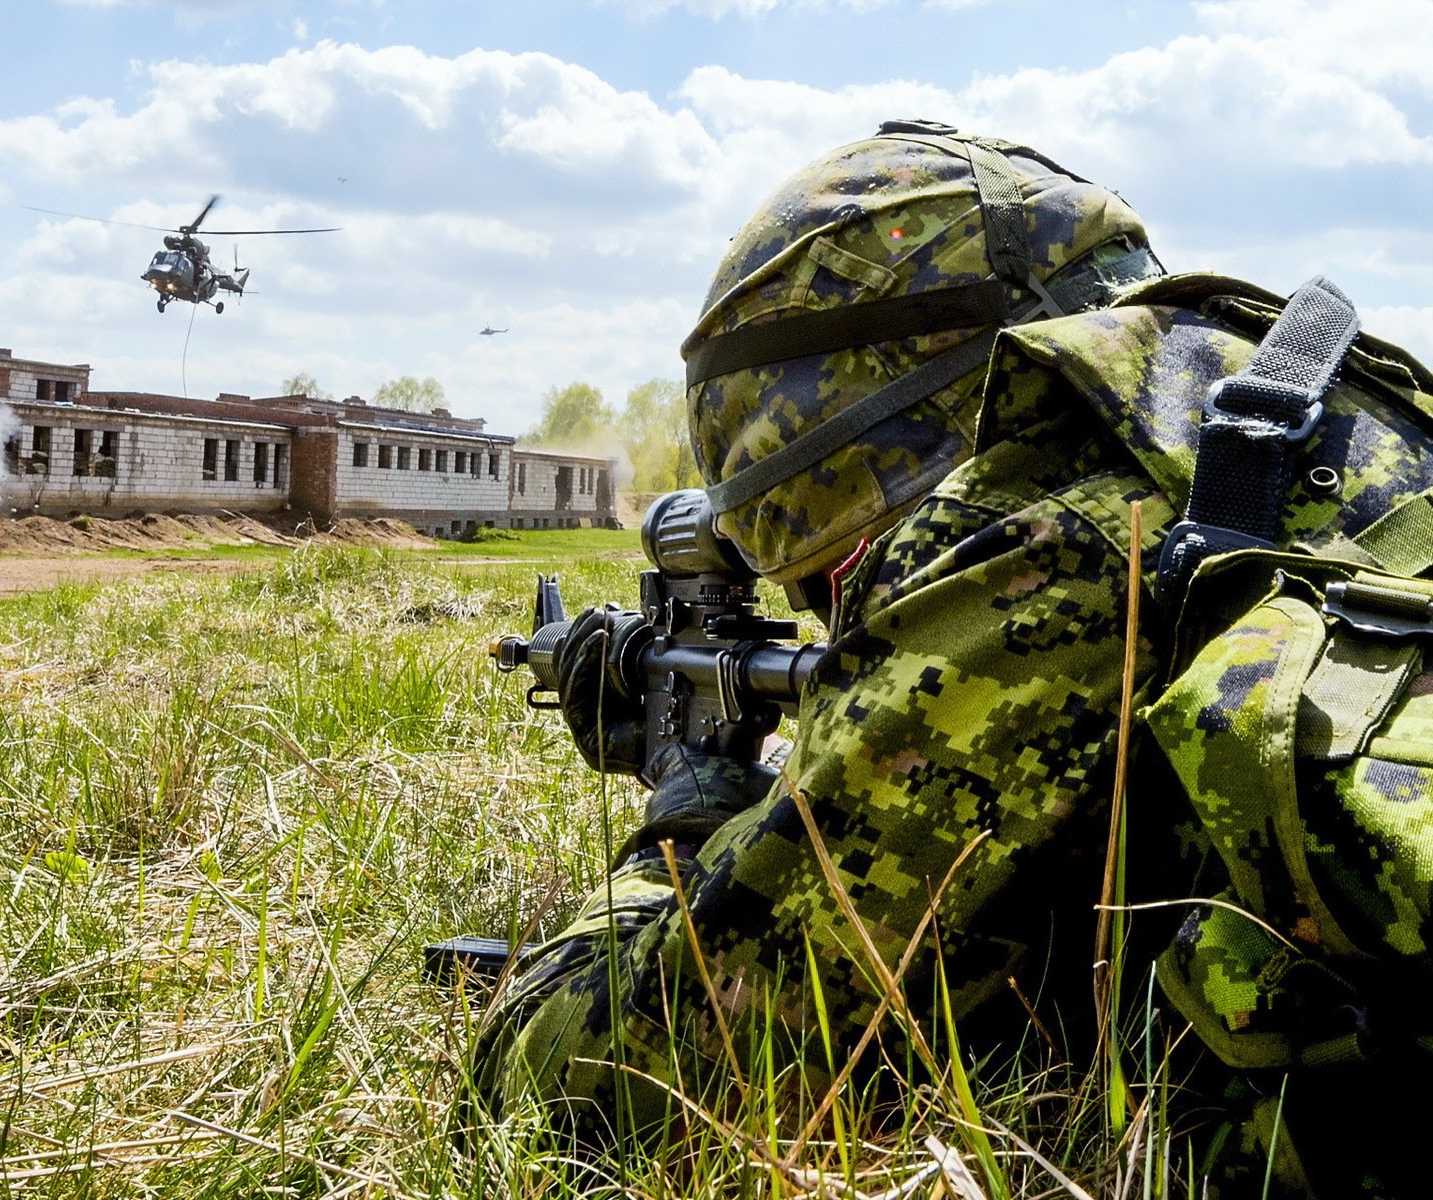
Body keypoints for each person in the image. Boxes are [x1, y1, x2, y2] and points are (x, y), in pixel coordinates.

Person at [469, 121, 1433, 1197]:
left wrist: (684, 822)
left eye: (838, 589)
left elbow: (597, 1083)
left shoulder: (1041, 546)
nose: (843, 616)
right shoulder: (1323, 430)